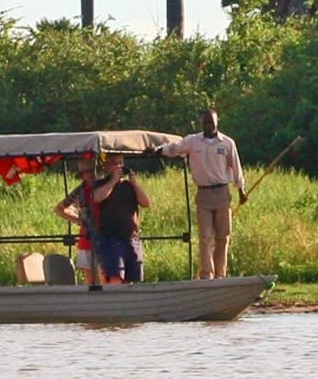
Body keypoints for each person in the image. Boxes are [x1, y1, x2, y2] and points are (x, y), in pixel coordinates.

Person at [158, 107, 248, 278]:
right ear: (202, 123)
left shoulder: (227, 143)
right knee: (205, 236)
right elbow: (174, 148)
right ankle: (207, 273)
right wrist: (158, 150)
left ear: (217, 123)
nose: (208, 126)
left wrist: (241, 190)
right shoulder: (193, 141)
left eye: (211, 123)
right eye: (205, 123)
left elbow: (236, 168)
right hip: (204, 194)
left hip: (222, 193)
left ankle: (220, 274)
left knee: (223, 236)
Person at [90, 153, 151, 284]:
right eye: (114, 163)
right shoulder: (101, 184)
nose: (118, 166)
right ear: (106, 166)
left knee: (133, 279)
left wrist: (135, 184)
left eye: (120, 163)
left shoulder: (129, 186)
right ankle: (115, 297)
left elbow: (146, 203)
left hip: (132, 237)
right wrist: (113, 181)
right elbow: (96, 198)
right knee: (115, 277)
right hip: (112, 238)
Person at [54, 159, 104, 285]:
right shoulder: (79, 191)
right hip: (88, 236)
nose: (90, 174)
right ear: (82, 175)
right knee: (90, 279)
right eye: (86, 172)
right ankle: (90, 296)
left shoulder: (105, 186)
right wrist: (77, 220)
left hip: (106, 235)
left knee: (105, 275)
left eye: (92, 170)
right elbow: (59, 209)